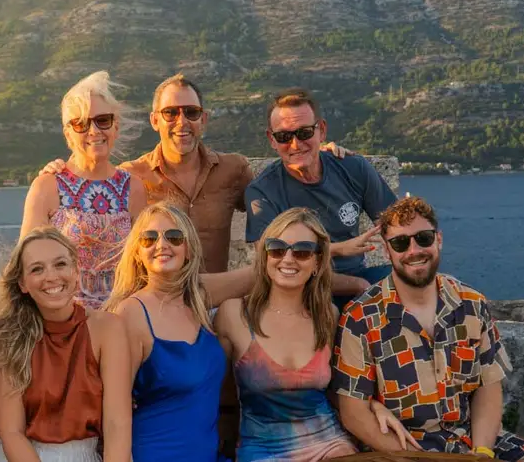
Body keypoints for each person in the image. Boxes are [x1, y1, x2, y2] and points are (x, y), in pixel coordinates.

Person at [40, 73, 355, 273]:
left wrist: (313, 151)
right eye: (170, 113)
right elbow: (90, 184)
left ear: (203, 119)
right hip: (163, 303)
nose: (181, 122)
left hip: (218, 301)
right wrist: (59, 169)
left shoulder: (234, 169)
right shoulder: (131, 178)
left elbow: (282, 206)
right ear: (155, 120)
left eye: (190, 112)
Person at [331, 196, 524, 461]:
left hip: (471, 439)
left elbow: (488, 386)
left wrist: (483, 453)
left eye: (424, 238)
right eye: (400, 242)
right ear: (387, 251)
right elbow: (354, 413)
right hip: (404, 448)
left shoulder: (471, 305)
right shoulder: (362, 317)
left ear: (438, 239)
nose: (414, 250)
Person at [104, 202, 257, 462]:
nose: (161, 244)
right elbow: (114, 416)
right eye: (149, 238)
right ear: (137, 253)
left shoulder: (198, 299)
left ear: (188, 249)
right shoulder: (132, 313)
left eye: (174, 237)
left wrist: (324, 253)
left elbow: (265, 273)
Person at [215, 207, 370, 462]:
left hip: (331, 446)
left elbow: (338, 390)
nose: (288, 259)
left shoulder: (327, 315)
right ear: (265, 256)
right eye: (277, 248)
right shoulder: (234, 315)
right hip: (263, 451)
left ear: (317, 261)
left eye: (302, 252)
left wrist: (372, 407)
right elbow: (211, 389)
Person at [0, 227, 132, 462]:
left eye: (60, 264)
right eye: (37, 269)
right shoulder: (9, 336)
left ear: (76, 271)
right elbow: (12, 432)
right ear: (23, 283)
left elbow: (117, 423)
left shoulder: (107, 328)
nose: (51, 276)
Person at [245, 88, 398, 300]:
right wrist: (337, 250)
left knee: (411, 282)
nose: (295, 144)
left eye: (305, 133)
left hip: (357, 274)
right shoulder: (262, 192)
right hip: (303, 285)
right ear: (272, 140)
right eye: (284, 136)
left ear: (322, 130)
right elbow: (269, 258)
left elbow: (396, 223)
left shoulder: (353, 168)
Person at [21, 70, 147, 309]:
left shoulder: (133, 188)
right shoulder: (48, 186)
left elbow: (142, 264)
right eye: (80, 123)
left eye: (103, 120)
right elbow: (27, 261)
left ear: (115, 127)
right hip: (65, 318)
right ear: (68, 133)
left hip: (119, 318)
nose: (93, 131)